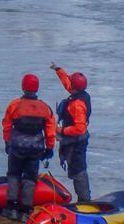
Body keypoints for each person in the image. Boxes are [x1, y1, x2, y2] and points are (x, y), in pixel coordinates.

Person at [1, 74, 57, 221]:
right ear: (36, 88)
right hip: (36, 148)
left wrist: (7, 142)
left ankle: (11, 207)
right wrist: (50, 148)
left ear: (23, 87)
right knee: (30, 178)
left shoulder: (14, 105)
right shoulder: (46, 108)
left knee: (14, 174)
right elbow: (51, 131)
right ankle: (26, 211)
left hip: (17, 146)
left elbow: (6, 126)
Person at [50, 62, 91, 202]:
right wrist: (59, 70)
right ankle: (83, 199)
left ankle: (85, 200)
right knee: (75, 170)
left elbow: (80, 128)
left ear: (75, 88)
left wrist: (61, 130)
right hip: (74, 140)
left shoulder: (77, 105)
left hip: (77, 142)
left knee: (78, 171)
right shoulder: (79, 93)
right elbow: (68, 83)